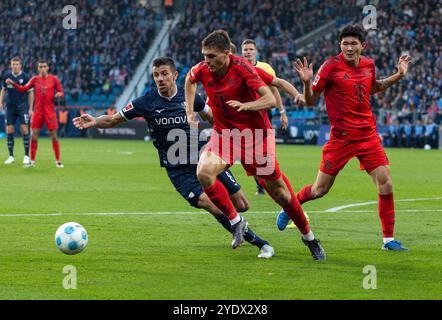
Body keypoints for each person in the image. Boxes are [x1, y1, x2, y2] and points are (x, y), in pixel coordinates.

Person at [73, 57, 275, 258]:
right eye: (156, 75)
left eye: (164, 74)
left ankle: (237, 224)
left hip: (204, 158)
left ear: (174, 75)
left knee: (242, 205)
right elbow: (113, 119)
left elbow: (211, 116)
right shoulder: (146, 101)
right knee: (212, 205)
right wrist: (94, 121)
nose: (160, 79)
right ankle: (260, 243)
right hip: (178, 169)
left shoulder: (190, 97)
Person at [185, 30, 325, 260]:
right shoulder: (203, 69)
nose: (206, 61)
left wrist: (246, 105)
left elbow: (271, 95)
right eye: (204, 55)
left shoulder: (246, 70)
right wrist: (190, 112)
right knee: (204, 172)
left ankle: (309, 238)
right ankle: (236, 222)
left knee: (283, 196)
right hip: (225, 135)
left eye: (211, 56)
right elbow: (189, 81)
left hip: (256, 138)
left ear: (227, 54)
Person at [278, 25, 411, 251]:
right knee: (320, 190)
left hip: (367, 135)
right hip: (340, 138)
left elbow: (374, 87)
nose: (349, 48)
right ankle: (290, 207)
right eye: (345, 43)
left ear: (362, 46)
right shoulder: (330, 67)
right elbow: (310, 101)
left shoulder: (369, 64)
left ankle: (388, 240)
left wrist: (398, 75)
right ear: (340, 45)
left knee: (386, 182)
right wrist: (306, 83)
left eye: (353, 43)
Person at [6, 59, 64, 168]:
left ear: (47, 68)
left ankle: (58, 160)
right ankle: (32, 161)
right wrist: (13, 83)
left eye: (44, 66)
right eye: (40, 67)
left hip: (49, 112)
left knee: (54, 136)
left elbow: (61, 91)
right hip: (38, 112)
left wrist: (59, 94)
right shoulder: (34, 79)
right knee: (34, 136)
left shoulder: (54, 79)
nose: (42, 69)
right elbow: (23, 89)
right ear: (38, 68)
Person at [0, 57, 33, 165]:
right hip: (10, 107)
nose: (15, 66)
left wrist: (31, 108)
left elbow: (30, 92)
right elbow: (3, 90)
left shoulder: (25, 77)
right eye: (13, 64)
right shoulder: (6, 76)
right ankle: (11, 156)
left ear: (20, 65)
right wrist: (0, 102)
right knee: (9, 129)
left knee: (24, 129)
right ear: (11, 65)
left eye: (17, 64)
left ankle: (27, 156)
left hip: (22, 107)